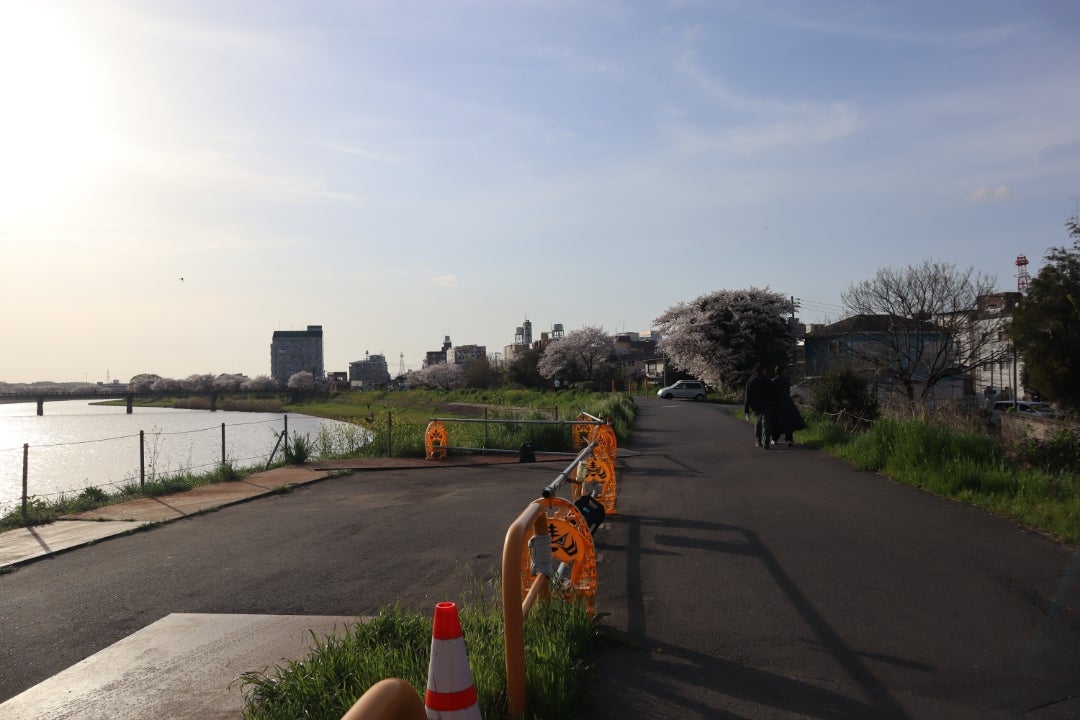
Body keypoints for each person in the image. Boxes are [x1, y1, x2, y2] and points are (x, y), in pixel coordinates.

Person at [770, 364, 806, 447]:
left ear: (776, 371)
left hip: (777, 403)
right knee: (788, 422)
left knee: (776, 422)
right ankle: (789, 439)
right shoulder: (786, 380)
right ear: (783, 371)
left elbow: (772, 393)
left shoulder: (773, 381)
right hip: (787, 402)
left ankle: (774, 439)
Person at [744, 364, 774, 449]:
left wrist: (746, 410)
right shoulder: (767, 380)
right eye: (765, 369)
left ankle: (758, 441)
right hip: (767, 404)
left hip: (756, 405)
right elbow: (772, 393)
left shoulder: (751, 381)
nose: (766, 371)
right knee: (766, 423)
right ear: (761, 370)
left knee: (758, 422)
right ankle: (766, 442)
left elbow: (747, 397)